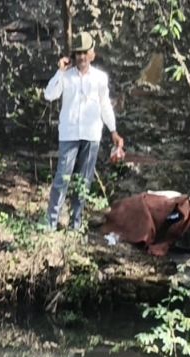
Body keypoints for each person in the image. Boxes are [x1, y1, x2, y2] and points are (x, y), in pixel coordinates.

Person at [42, 30, 125, 231]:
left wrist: (113, 131)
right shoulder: (66, 76)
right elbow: (49, 95)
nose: (81, 57)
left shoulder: (100, 78)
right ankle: (50, 224)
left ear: (92, 54)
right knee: (62, 178)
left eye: (85, 52)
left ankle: (76, 225)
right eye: (78, 53)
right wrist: (60, 71)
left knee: (83, 181)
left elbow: (105, 105)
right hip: (69, 134)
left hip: (91, 135)